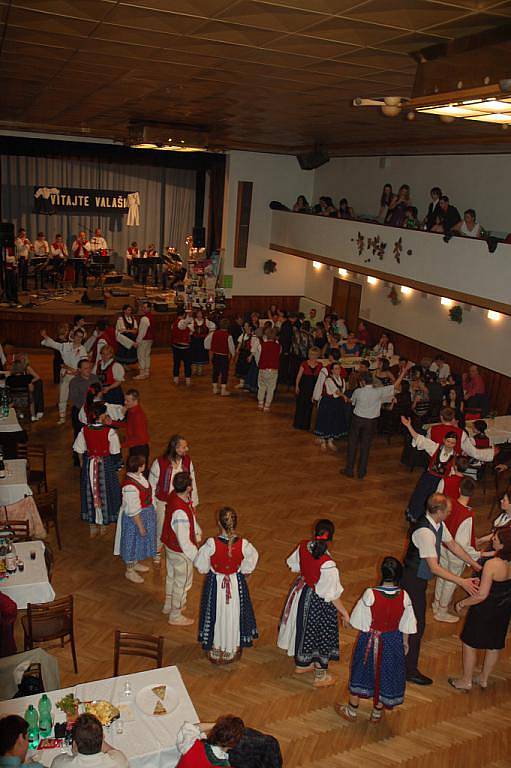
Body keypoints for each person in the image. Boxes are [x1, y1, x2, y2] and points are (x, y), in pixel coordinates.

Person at [401, 493, 482, 686]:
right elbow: (434, 567)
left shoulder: (437, 524)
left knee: (413, 623)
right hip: (412, 580)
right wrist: (462, 582)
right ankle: (408, 670)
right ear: (438, 511)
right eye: (448, 511)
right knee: (416, 626)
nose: (450, 514)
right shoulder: (425, 532)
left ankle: (404, 663)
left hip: (419, 579)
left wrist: (474, 564)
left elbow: (453, 544)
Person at [336, 556, 417, 723]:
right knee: (386, 672)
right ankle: (377, 712)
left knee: (361, 669)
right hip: (393, 640)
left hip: (370, 639)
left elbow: (360, 622)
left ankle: (352, 709)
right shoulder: (404, 596)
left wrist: (347, 621)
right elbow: (407, 623)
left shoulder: (370, 594)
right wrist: (405, 642)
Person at [278, 519, 350, 688]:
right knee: (321, 634)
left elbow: (294, 565)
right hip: (318, 602)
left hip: (302, 592)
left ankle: (303, 664)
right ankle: (320, 675)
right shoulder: (328, 564)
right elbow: (332, 595)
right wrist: (345, 613)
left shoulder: (303, 546)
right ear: (331, 538)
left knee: (304, 629)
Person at [450, 527, 511, 692]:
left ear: (504, 545)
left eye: (496, 539)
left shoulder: (493, 564)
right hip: (504, 608)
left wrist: (462, 603)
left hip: (486, 610)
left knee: (469, 643)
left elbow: (481, 595)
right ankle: (483, 678)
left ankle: (466, 680)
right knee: (494, 645)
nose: (493, 540)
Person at [401, 414, 494, 521]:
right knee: (420, 498)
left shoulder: (455, 457)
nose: (450, 444)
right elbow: (419, 438)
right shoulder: (435, 447)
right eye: (448, 442)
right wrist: (409, 426)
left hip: (440, 483)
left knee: (435, 503)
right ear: (444, 440)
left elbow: (457, 470)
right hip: (428, 479)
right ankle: (414, 517)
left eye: (453, 443)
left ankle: (428, 520)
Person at [196, 506, 258, 664]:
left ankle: (216, 646)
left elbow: (201, 565)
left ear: (219, 523)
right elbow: (252, 560)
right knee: (233, 613)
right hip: (235, 584)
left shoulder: (211, 543)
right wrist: (242, 571)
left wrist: (211, 569)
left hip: (216, 584)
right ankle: (231, 647)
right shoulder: (244, 544)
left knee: (216, 613)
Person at [343, 363, 410, 479]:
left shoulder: (358, 391)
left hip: (357, 420)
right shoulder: (378, 392)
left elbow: (352, 402)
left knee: (353, 444)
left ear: (362, 382)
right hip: (371, 422)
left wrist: (347, 399)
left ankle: (349, 470)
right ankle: (361, 472)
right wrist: (403, 373)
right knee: (365, 446)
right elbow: (395, 386)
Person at [432, 478, 481, 623]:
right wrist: (474, 557)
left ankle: (436, 603)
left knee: (443, 575)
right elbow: (463, 543)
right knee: (451, 582)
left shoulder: (449, 503)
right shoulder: (467, 515)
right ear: (472, 494)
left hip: (443, 545)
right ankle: (442, 610)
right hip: (456, 553)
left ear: (459, 489)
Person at [73, 402, 122, 537]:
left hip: (90, 464)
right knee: (104, 491)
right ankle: (102, 522)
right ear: (102, 415)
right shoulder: (109, 431)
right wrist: (116, 467)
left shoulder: (85, 430)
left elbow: (78, 448)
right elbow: (115, 451)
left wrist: (84, 463)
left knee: (91, 491)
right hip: (104, 466)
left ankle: (93, 524)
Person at [149, 434, 199, 565]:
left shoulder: (187, 461)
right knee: (161, 527)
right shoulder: (159, 463)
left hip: (182, 502)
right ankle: (157, 550)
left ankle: (178, 549)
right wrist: (153, 505)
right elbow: (152, 485)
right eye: (183, 447)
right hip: (164, 502)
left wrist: (193, 502)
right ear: (175, 448)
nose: (186, 449)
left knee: (182, 528)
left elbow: (192, 483)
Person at [161, 470, 201, 626]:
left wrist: (196, 529)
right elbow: (184, 542)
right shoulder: (180, 512)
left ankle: (168, 604)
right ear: (189, 488)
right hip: (180, 553)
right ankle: (175, 614)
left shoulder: (175, 496)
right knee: (182, 583)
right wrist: (197, 558)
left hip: (170, 547)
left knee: (171, 576)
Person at [114, 454, 157, 584]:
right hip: (135, 520)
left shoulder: (139, 477)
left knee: (138, 543)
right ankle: (130, 570)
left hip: (144, 515)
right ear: (140, 467)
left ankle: (135, 563)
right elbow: (133, 510)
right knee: (132, 542)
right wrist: (140, 526)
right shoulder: (130, 487)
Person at [41, 327, 87, 424]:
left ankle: (80, 416)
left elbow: (84, 365)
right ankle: (62, 417)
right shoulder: (65, 346)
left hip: (76, 376)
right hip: (66, 375)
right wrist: (45, 336)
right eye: (77, 336)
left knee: (78, 397)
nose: (78, 339)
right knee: (63, 396)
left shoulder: (82, 350)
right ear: (73, 336)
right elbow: (54, 344)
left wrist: (74, 370)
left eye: (80, 337)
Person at [51, 713, 127, 768]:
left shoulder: (59, 763)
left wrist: (75, 753)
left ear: (75, 743)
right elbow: (114, 752)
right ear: (103, 737)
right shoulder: (119, 761)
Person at [176, 717, 244, 767]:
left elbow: (191, 728)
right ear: (232, 745)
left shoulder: (192, 743)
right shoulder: (224, 765)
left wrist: (218, 725)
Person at [314, 362, 349, 450]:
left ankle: (330, 440)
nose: (338, 370)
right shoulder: (328, 379)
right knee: (325, 421)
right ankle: (323, 441)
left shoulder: (342, 380)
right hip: (327, 403)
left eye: (339, 368)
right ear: (332, 370)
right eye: (336, 369)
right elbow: (336, 391)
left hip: (337, 404)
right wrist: (344, 396)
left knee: (334, 421)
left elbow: (343, 390)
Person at [6, 352, 44, 421]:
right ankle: (33, 416)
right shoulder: (27, 378)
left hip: (14, 402)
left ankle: (19, 414)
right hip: (26, 401)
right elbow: (31, 390)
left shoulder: (9, 379)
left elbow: (7, 390)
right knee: (31, 398)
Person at [204, 319, 236, 397]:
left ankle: (215, 388)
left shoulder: (213, 334)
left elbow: (206, 342)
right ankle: (223, 389)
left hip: (215, 355)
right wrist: (233, 354)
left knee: (215, 371)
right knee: (224, 373)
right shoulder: (229, 336)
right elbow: (231, 347)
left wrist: (210, 348)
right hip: (224, 357)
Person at [293, 347, 322, 430]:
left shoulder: (320, 365)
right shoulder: (304, 364)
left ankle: (306, 425)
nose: (313, 356)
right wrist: (297, 386)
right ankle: (298, 424)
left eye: (315, 355)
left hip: (313, 387)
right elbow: (299, 376)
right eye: (311, 354)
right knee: (300, 405)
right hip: (304, 387)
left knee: (309, 406)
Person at [118, 389, 150, 464]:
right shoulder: (131, 411)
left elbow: (140, 438)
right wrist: (112, 422)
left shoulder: (138, 416)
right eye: (125, 400)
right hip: (134, 446)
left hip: (139, 449)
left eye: (127, 401)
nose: (125, 402)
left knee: (138, 474)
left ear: (135, 401)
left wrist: (121, 445)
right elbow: (128, 424)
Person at [254, 326, 281, 411]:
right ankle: (267, 405)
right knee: (271, 388)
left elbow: (257, 357)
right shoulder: (279, 346)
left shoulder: (261, 346)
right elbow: (278, 355)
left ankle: (260, 403)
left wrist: (259, 364)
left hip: (263, 368)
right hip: (274, 370)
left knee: (261, 386)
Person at [171, 307, 194, 386]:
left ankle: (176, 379)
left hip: (175, 346)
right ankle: (187, 380)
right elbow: (189, 330)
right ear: (184, 314)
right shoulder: (184, 323)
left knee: (176, 363)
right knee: (187, 364)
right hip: (185, 347)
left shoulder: (174, 323)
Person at [133, 301, 154, 380]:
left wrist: (137, 341)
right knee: (147, 355)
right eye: (143, 307)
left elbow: (142, 331)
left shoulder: (144, 318)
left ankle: (142, 373)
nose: (143, 309)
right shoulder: (151, 316)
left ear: (149, 308)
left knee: (141, 355)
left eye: (145, 307)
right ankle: (146, 372)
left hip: (144, 340)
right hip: (150, 339)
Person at [191, 309, 215, 377]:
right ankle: (194, 370)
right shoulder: (193, 321)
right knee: (194, 355)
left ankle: (200, 371)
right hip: (195, 341)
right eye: (198, 313)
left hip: (202, 341)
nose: (199, 315)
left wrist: (208, 335)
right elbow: (189, 329)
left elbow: (213, 327)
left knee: (201, 356)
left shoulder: (206, 321)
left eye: (200, 313)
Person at [234, 321, 253, 389]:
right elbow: (239, 343)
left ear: (250, 327)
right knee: (241, 369)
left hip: (248, 354)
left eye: (246, 326)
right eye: (244, 326)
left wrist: (251, 355)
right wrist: (237, 351)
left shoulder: (253, 336)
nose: (245, 327)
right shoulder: (243, 335)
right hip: (242, 354)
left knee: (247, 369)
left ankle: (248, 385)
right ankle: (241, 383)